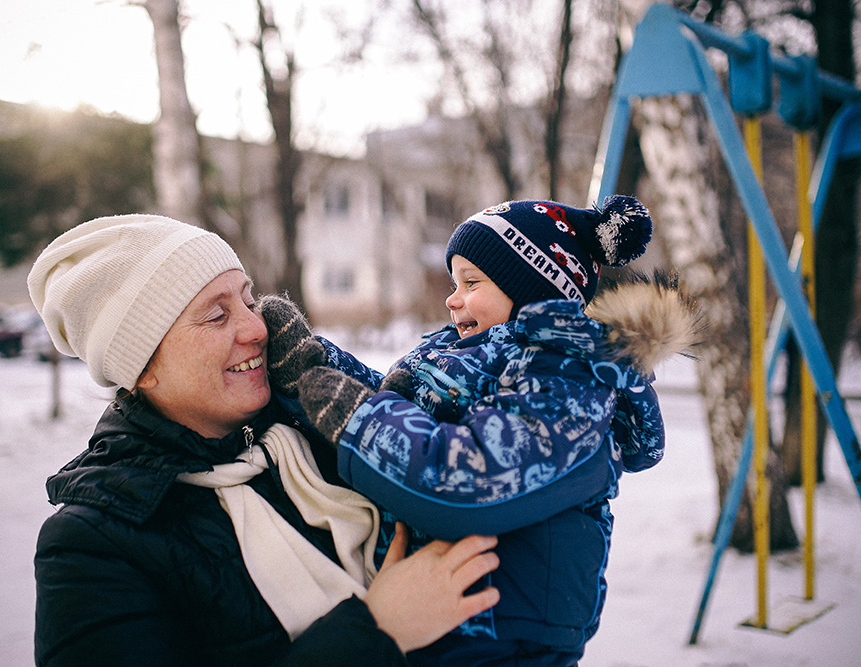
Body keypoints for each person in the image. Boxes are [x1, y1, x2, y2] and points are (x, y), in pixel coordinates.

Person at [25, 214, 501, 667]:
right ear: (142, 368)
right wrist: (377, 632)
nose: (257, 328)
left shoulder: (325, 430)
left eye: (249, 300)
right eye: (216, 316)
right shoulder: (92, 547)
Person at [260, 196, 699, 666]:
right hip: (448, 618)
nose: (452, 298)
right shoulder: (474, 360)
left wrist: (357, 419)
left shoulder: (570, 382)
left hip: (504, 636)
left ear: (533, 291)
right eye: (454, 282)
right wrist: (310, 370)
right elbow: (402, 412)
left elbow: (473, 475)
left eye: (472, 282)